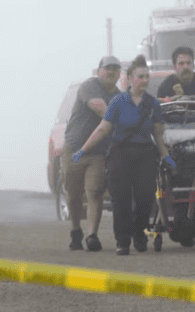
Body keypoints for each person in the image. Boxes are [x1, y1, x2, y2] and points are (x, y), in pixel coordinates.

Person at [73, 55, 175, 255]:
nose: (144, 80)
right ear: (130, 78)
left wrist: (166, 156)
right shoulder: (118, 102)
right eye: (140, 76)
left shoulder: (152, 104)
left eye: (147, 76)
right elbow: (102, 129)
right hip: (120, 153)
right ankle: (123, 241)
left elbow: (158, 136)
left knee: (145, 198)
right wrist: (83, 150)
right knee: (121, 199)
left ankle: (139, 235)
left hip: (145, 154)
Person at [156, 46, 195, 244]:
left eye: (188, 63)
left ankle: (194, 223)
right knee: (177, 183)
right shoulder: (166, 86)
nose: (185, 67)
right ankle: (181, 222)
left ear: (193, 64)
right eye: (181, 64)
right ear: (175, 66)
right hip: (176, 144)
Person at [61, 56, 121, 252]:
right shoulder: (90, 86)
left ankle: (92, 236)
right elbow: (99, 108)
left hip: (98, 152)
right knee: (73, 194)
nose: (111, 72)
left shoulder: (120, 96)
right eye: (107, 68)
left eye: (115, 69)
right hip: (74, 148)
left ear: (119, 74)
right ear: (99, 71)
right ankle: (75, 230)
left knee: (94, 192)